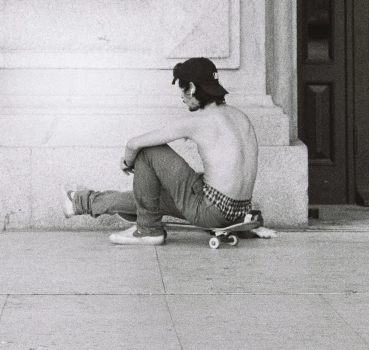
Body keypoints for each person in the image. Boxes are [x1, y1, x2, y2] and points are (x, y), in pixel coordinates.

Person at [62, 57, 259, 245]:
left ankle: (148, 230)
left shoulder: (200, 122)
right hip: (239, 212)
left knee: (148, 151)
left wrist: (127, 162)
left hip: (210, 211)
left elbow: (133, 144)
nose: (182, 97)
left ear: (191, 88)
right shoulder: (241, 117)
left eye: (182, 90)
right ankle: (80, 202)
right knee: (151, 198)